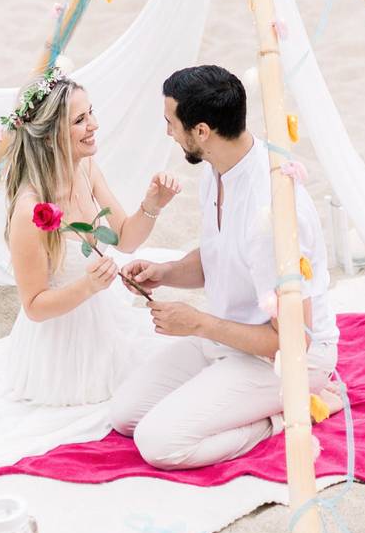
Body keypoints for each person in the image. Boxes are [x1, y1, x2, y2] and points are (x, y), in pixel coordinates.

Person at [110, 65, 340, 470]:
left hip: (284, 359)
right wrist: (164, 272)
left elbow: (291, 341)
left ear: (201, 131)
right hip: (227, 336)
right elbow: (220, 253)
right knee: (126, 415)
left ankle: (282, 415)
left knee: (159, 443)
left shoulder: (272, 213)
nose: (168, 132)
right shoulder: (217, 168)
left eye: (170, 122)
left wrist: (197, 323)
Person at [3, 68, 181, 406]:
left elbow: (125, 239)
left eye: (91, 113)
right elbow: (34, 307)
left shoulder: (85, 168)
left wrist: (152, 205)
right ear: (53, 134)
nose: (94, 125)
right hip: (62, 344)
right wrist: (88, 286)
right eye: (80, 120)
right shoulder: (30, 211)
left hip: (103, 315)